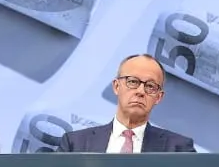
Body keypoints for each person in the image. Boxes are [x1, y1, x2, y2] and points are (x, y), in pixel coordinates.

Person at [54, 53, 196, 153]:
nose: (140, 91)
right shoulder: (75, 143)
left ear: (158, 97)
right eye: (133, 82)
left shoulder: (178, 149)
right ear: (116, 86)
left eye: (150, 86)